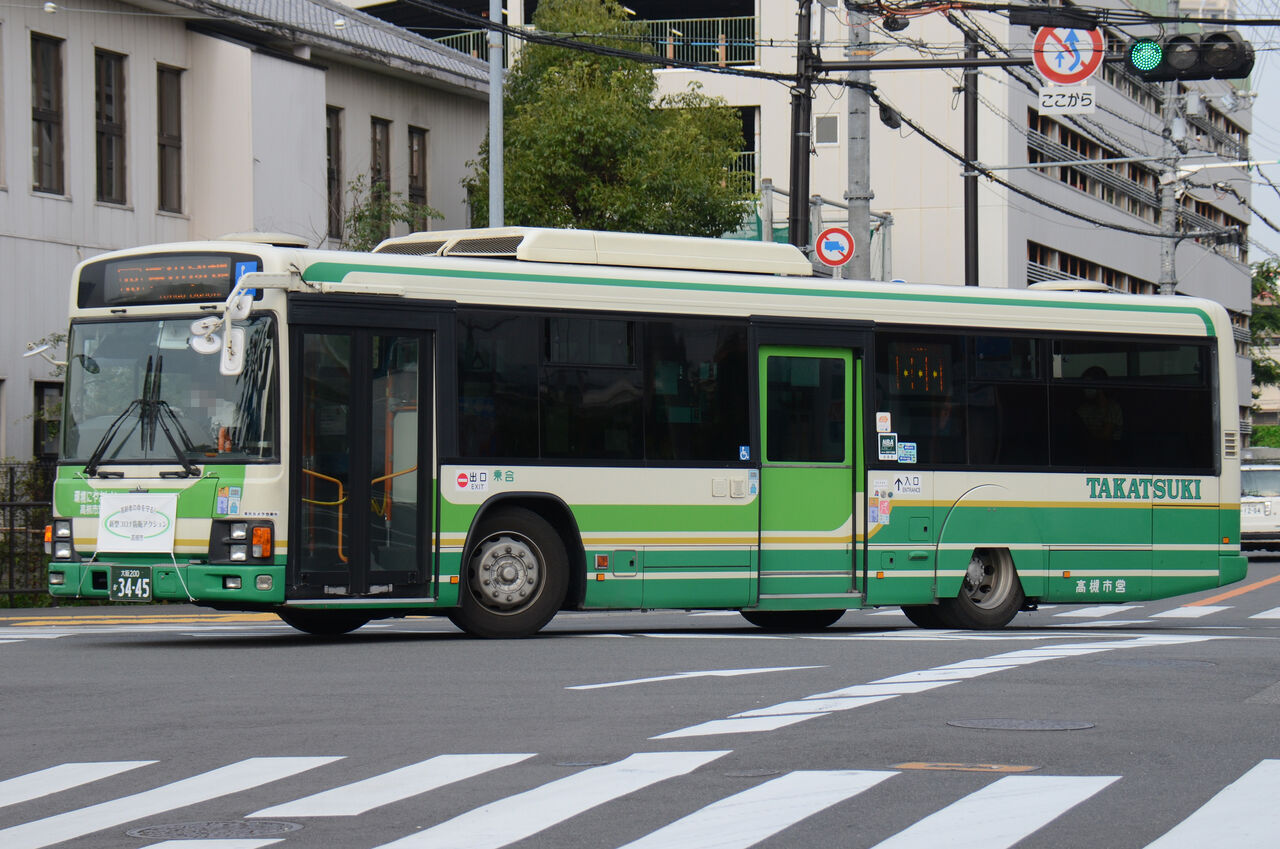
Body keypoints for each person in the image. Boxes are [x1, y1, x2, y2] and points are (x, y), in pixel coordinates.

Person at [1076, 366, 1123, 459]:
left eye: (1088, 384)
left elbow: (1105, 436)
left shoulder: (1113, 408)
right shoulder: (1084, 409)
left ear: (1100, 385)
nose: (1085, 388)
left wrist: (1090, 434)